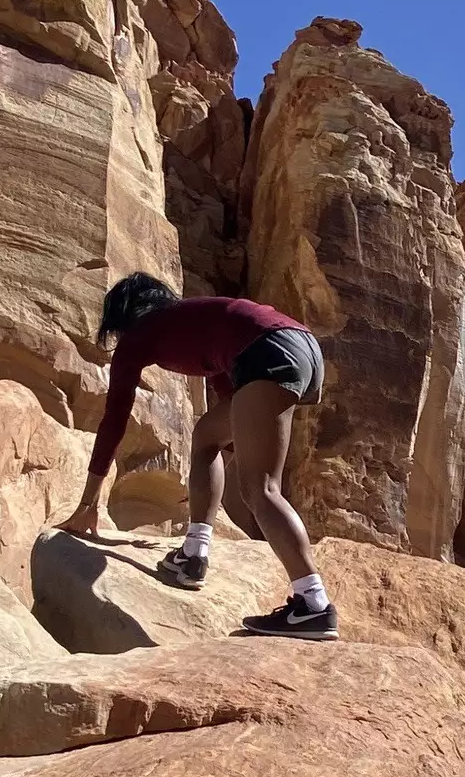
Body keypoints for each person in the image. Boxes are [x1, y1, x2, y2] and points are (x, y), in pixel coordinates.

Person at [59, 273, 337, 640]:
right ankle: (193, 554)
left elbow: (114, 421)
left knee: (261, 490)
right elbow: (233, 407)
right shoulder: (195, 322)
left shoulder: (141, 334)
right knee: (207, 437)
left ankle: (312, 605)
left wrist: (88, 502)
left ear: (124, 315)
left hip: (270, 350)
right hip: (300, 348)